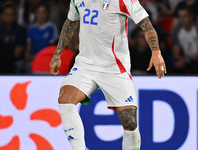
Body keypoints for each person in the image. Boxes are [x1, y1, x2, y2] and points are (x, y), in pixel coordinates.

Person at [50, 0, 167, 149]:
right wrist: (57, 54)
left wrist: (156, 52)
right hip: (85, 64)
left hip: (115, 68)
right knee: (65, 99)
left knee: (129, 121)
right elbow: (70, 23)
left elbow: (146, 24)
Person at [25, 3, 58, 72]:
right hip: (33, 59)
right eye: (39, 12)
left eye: (43, 12)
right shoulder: (31, 28)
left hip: (47, 59)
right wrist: (29, 57)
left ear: (48, 14)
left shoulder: (52, 28)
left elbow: (53, 49)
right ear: (36, 13)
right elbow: (28, 50)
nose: (41, 15)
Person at [0, 3, 26, 73]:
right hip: (0, 61)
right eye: (7, 15)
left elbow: (17, 54)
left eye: (12, 14)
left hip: (14, 62)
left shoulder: (21, 30)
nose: (10, 17)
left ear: (16, 15)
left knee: (19, 65)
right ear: (2, 16)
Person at [173, 5, 198, 73]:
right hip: (187, 60)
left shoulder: (196, 28)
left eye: (185, 16)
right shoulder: (177, 31)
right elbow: (176, 50)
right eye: (180, 17)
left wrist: (187, 60)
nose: (182, 20)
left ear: (192, 16)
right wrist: (178, 59)